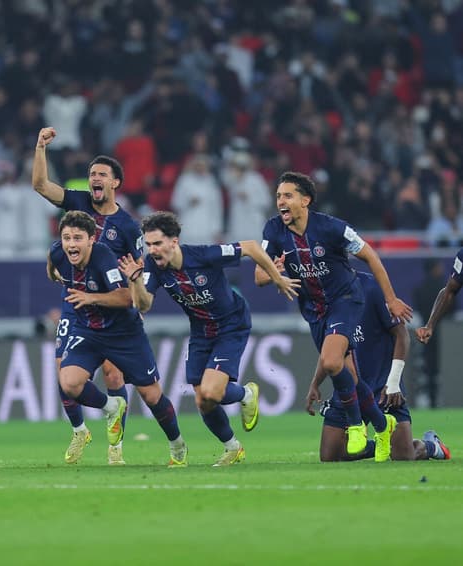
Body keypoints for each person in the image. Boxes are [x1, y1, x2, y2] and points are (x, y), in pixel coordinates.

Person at [119, 211, 300, 466]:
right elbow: (143, 305)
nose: (153, 250)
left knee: (212, 392)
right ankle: (233, 448)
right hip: (201, 331)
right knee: (203, 400)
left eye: (158, 243)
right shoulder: (152, 268)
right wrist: (135, 280)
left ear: (174, 242)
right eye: (148, 245)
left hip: (231, 324)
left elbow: (250, 247)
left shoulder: (203, 255)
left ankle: (246, 393)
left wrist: (277, 277)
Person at [255, 171, 413, 460]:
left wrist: (390, 299)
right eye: (278, 196)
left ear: (306, 200)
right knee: (348, 374)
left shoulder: (331, 228)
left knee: (331, 360)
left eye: (288, 195)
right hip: (314, 310)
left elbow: (371, 256)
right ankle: (381, 424)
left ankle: (356, 426)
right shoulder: (273, 230)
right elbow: (258, 276)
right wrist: (274, 273)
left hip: (345, 299)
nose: (281, 201)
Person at [33, 126, 140, 465]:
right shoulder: (78, 202)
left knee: (112, 374)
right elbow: (40, 186)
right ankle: (80, 431)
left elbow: (138, 270)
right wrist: (40, 148)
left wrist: (137, 301)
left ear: (115, 183)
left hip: (109, 309)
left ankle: (116, 447)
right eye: (91, 174)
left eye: (101, 175)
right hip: (75, 304)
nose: (94, 178)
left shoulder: (128, 226)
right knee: (65, 375)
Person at [49, 211, 187, 467]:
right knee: (69, 383)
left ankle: (177, 443)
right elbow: (52, 262)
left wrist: (90, 298)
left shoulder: (103, 258)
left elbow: (126, 298)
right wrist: (54, 273)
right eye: (66, 238)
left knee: (151, 396)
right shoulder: (59, 253)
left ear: (91, 239)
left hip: (123, 333)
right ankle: (112, 406)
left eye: (77, 238)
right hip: (88, 331)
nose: (71, 244)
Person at [306, 271, 450, 462]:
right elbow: (329, 349)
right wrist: (315, 383)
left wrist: (393, 382)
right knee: (330, 455)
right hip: (349, 389)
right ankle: (382, 445)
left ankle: (431, 446)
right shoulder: (323, 296)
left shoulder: (371, 286)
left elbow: (402, 335)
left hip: (383, 385)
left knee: (403, 457)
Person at [415, 254, 463, 407]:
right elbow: (450, 291)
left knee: (430, 366)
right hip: (444, 333)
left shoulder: (419, 288)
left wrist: (429, 325)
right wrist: (430, 325)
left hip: (437, 334)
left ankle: (432, 398)